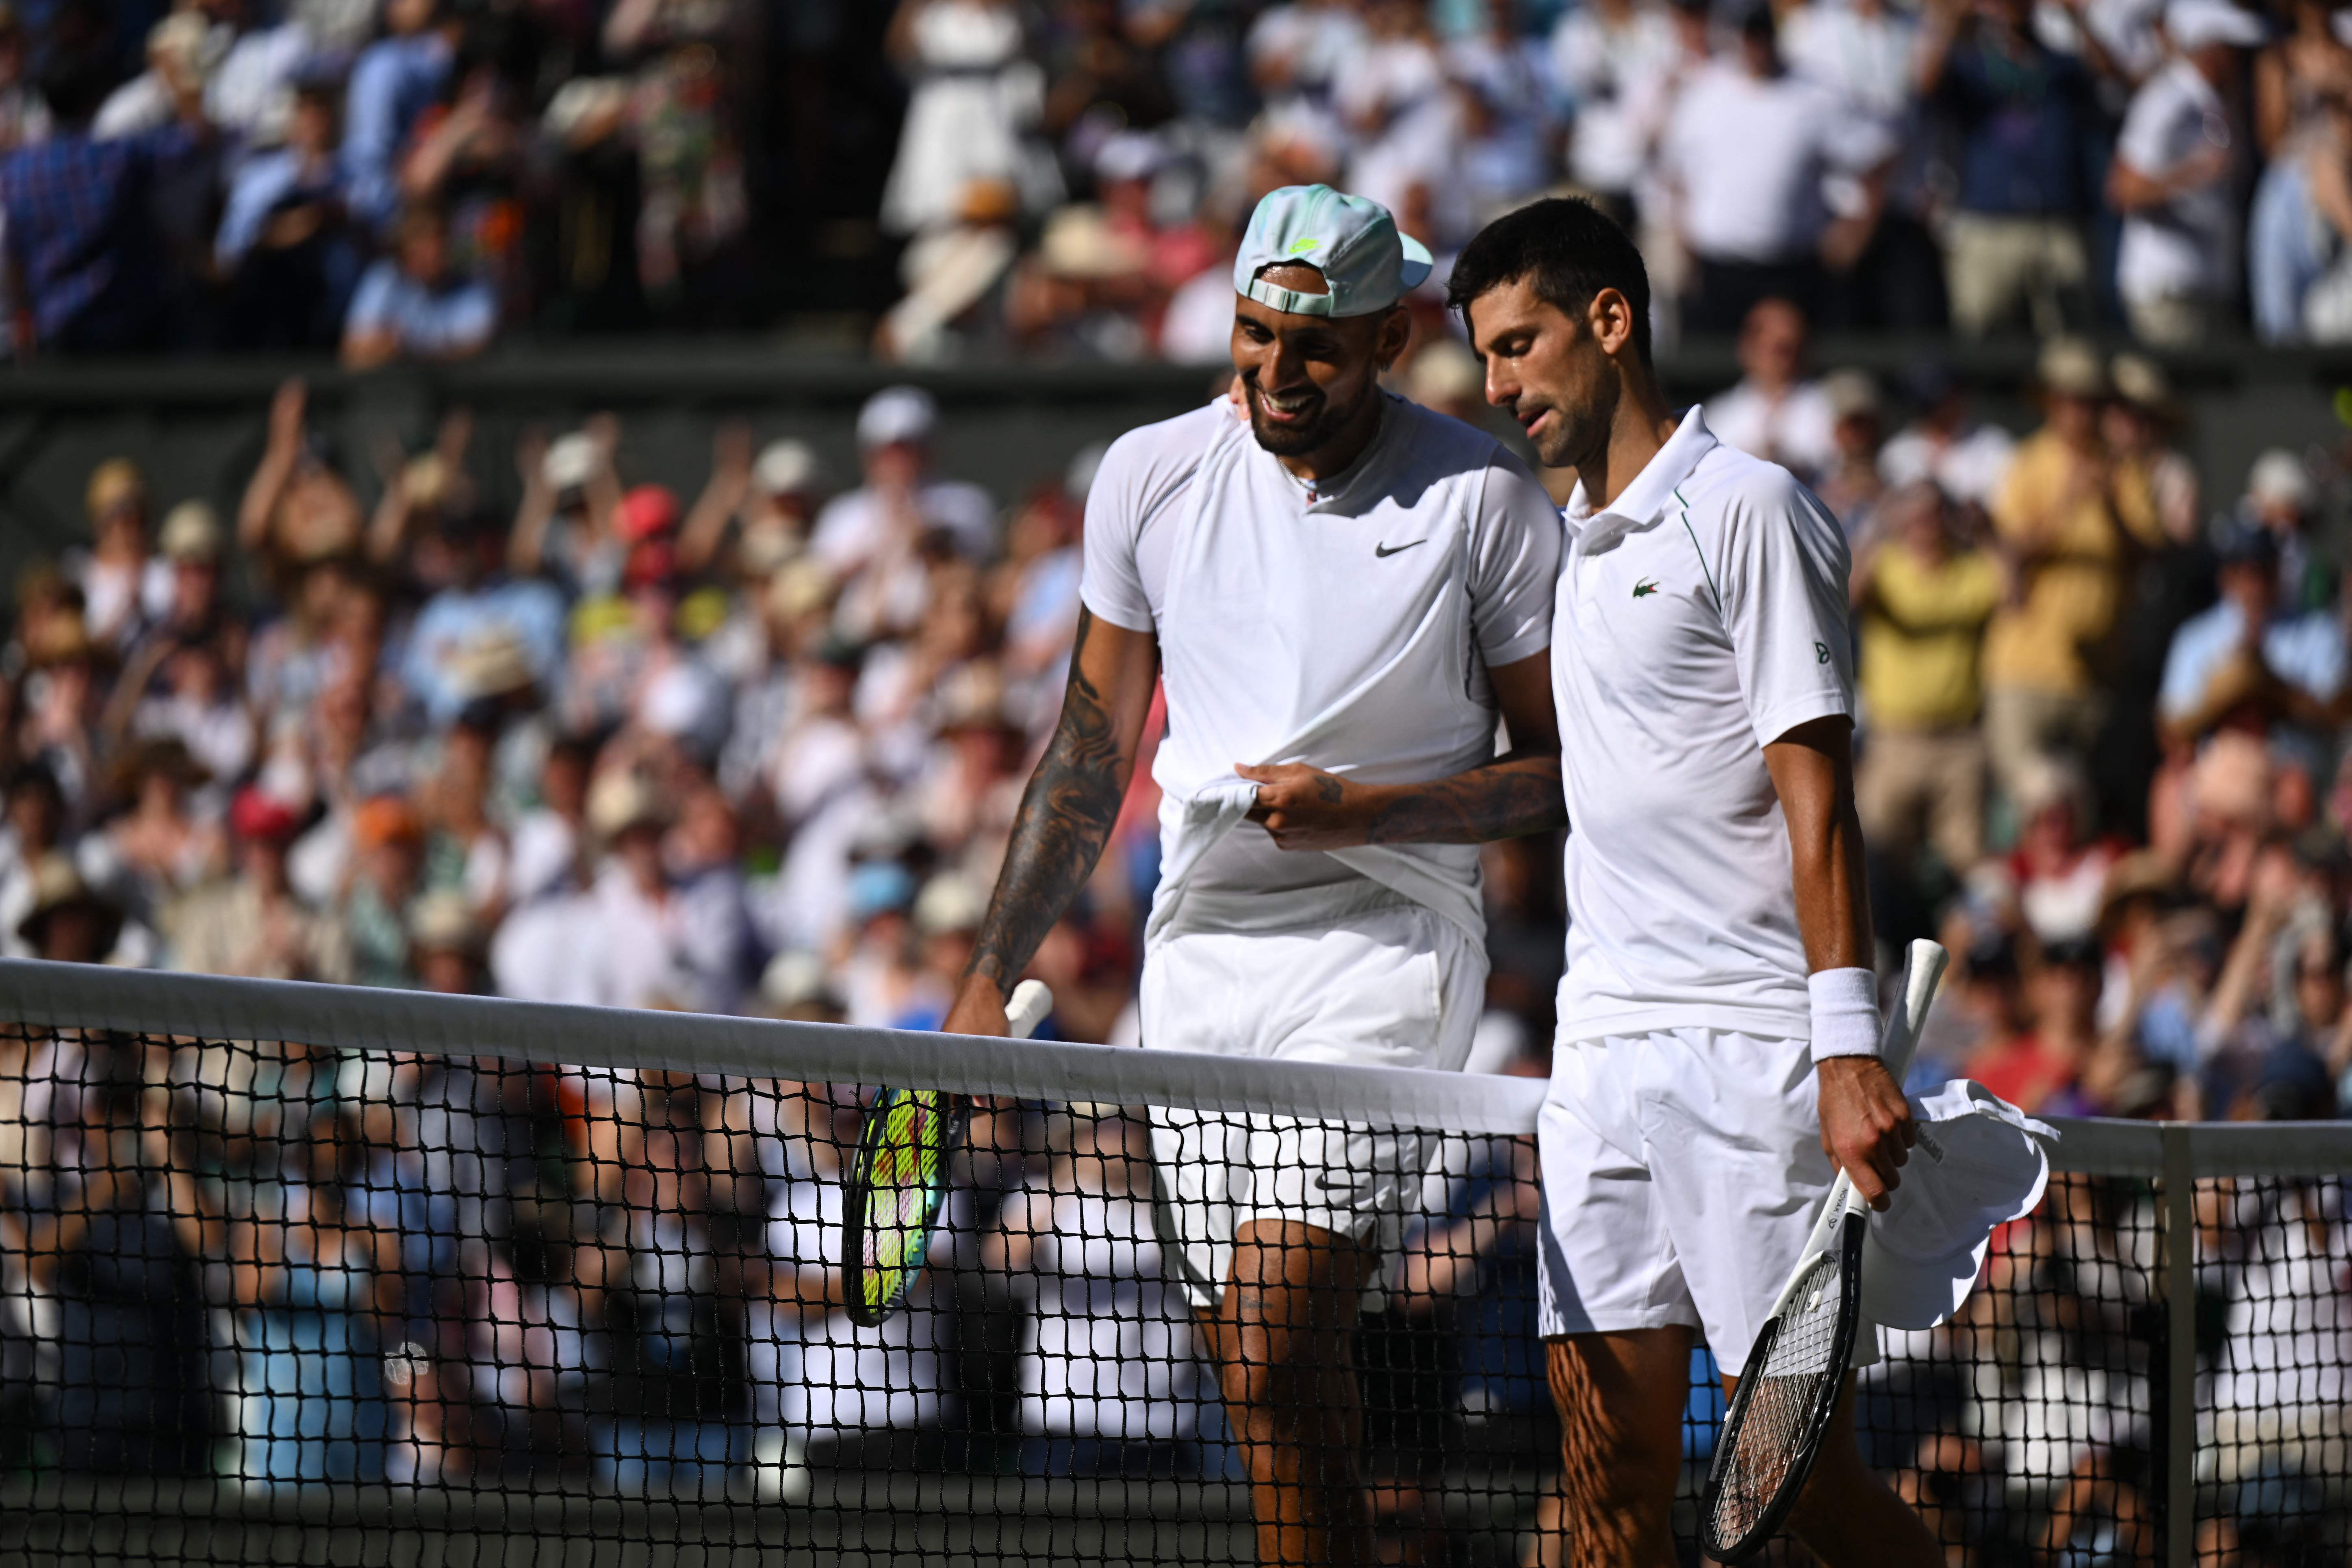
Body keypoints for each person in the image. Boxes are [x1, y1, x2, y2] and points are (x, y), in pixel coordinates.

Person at [940, 183, 1566, 1566]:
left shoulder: (1481, 496)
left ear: (1390, 340)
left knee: (1280, 1335)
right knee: (1262, 1385)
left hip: (1387, 943)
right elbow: (1086, 752)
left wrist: (1374, 812)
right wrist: (987, 972)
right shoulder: (1147, 474)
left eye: (1314, 346)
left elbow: (1565, 769)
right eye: (1252, 336)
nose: (1276, 371)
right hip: (1200, 957)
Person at [1448, 195, 1938, 1567]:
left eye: (1519, 343)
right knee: (1600, 1474)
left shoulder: (1750, 506)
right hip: (1596, 1051)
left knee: (1800, 1493)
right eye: (1484, 357)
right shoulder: (1557, 538)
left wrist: (1844, 1048)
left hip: (1747, 1054)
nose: (1498, 386)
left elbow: (1817, 797)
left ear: (1609, 322)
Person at [2109, 0, 2268, 345]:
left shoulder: (2218, 102)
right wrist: (2193, 174)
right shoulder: (2165, 101)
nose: (2239, 61)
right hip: (2169, 290)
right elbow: (2123, 189)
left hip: (2210, 285)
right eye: (2230, 50)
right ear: (2209, 50)